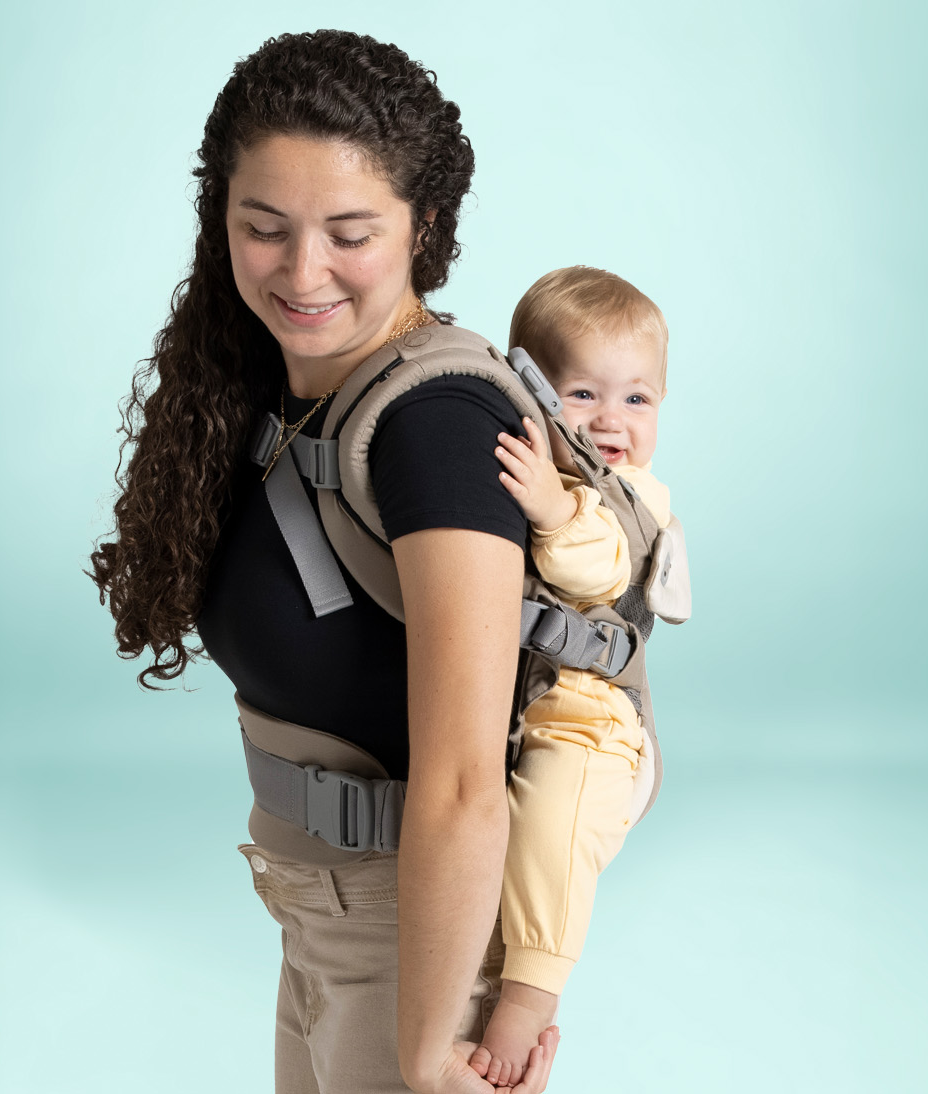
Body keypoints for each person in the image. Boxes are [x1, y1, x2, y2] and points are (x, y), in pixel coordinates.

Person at [89, 30, 560, 1094]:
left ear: (423, 227)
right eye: (264, 227)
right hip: (322, 918)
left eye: (350, 232)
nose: (302, 273)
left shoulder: (436, 430)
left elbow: (459, 782)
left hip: (413, 944)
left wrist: (434, 1039)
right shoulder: (276, 392)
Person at [470, 268, 674, 1088]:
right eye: (583, 394)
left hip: (592, 728)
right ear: (535, 395)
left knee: (552, 836)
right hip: (528, 709)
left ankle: (527, 1004)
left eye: (638, 400)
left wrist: (556, 511)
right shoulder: (543, 467)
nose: (611, 422)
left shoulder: (635, 495)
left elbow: (605, 568)